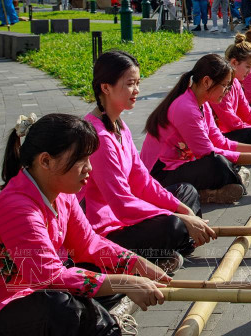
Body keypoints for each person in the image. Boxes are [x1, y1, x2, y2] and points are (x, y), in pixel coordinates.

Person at [0, 113, 170, 336]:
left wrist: (136, 263)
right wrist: (125, 281)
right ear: (46, 161)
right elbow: (49, 277)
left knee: (96, 287)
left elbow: (89, 244)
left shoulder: (62, 194)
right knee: (65, 307)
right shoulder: (17, 208)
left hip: (29, 293)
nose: (89, 168)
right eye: (80, 160)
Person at [81, 51, 216, 271]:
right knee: (173, 224)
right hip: (106, 230)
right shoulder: (98, 138)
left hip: (127, 216)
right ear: (106, 88)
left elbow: (142, 180)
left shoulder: (119, 126)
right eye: (130, 84)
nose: (137, 91)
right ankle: (163, 250)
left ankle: (171, 247)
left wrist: (183, 210)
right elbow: (122, 204)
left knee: (187, 194)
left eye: (138, 83)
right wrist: (178, 218)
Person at [140, 54, 251, 204]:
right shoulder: (186, 108)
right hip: (159, 175)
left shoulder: (203, 104)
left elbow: (220, 141)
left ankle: (216, 188)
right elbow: (207, 152)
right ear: (207, 81)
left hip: (182, 164)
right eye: (225, 85)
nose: (227, 90)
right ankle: (207, 192)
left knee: (224, 161)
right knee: (218, 163)